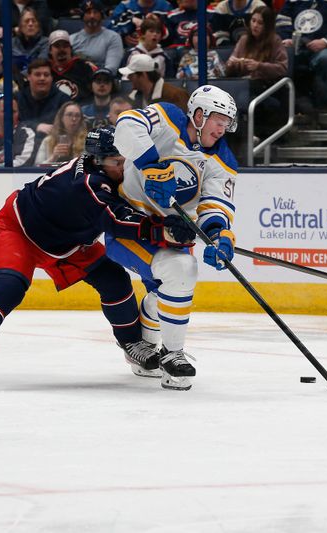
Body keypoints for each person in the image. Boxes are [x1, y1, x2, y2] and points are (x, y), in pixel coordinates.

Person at [0, 126, 196, 379]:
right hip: (17, 229)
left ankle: (132, 343)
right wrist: (161, 230)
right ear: (97, 161)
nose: (123, 167)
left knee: (114, 280)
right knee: (8, 286)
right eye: (116, 162)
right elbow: (115, 220)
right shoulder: (87, 184)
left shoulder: (102, 172)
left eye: (125, 160)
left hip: (67, 242)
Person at [108, 85, 239, 390]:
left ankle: (145, 348)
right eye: (217, 119)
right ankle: (173, 354)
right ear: (198, 114)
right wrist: (151, 166)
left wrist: (220, 235)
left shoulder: (222, 159)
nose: (222, 128)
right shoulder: (168, 119)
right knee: (181, 272)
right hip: (129, 222)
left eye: (226, 122)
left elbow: (215, 204)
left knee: (167, 289)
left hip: (170, 231)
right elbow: (126, 124)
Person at [276, 0, 327, 111]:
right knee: (283, 56)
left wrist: (326, 42)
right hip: (295, 48)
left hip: (324, 49)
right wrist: (287, 38)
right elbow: (281, 22)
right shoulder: (293, 1)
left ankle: (323, 104)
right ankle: (285, 106)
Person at [17, 59, 71, 136]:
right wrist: (36, 126)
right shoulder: (18, 98)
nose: (42, 78)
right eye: (37, 74)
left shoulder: (64, 101)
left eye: (46, 75)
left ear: (51, 78)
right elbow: (14, 124)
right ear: (28, 77)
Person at [70, 0, 125, 75]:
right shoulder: (72, 39)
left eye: (95, 12)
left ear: (101, 15)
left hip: (102, 81)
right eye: (88, 13)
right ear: (83, 16)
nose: (92, 16)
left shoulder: (113, 37)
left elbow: (111, 69)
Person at [119, 54, 190, 111]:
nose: (128, 77)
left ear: (144, 74)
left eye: (131, 75)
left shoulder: (175, 95)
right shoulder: (134, 97)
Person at [0, 93, 37, 167]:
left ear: (18, 113)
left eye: (13, 111)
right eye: (4, 111)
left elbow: (23, 163)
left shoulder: (25, 134)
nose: (9, 115)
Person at [35, 102, 89, 166]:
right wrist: (53, 157)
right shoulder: (48, 141)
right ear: (61, 118)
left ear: (81, 119)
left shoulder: (88, 142)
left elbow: (92, 166)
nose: (74, 119)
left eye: (77, 115)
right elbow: (37, 167)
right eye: (69, 115)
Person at [48, 29, 95, 102]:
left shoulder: (84, 67)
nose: (61, 49)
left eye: (65, 46)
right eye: (57, 46)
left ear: (70, 48)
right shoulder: (45, 69)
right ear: (50, 50)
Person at [107, 0, 173, 49]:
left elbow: (172, 32)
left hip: (158, 48)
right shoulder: (125, 5)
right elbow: (110, 27)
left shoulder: (165, 6)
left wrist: (158, 23)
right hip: (128, 48)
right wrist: (130, 20)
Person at [10, 7, 49, 73]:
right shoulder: (11, 43)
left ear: (38, 25)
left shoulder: (46, 43)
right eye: (26, 21)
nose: (30, 24)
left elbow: (40, 66)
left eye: (33, 21)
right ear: (20, 26)